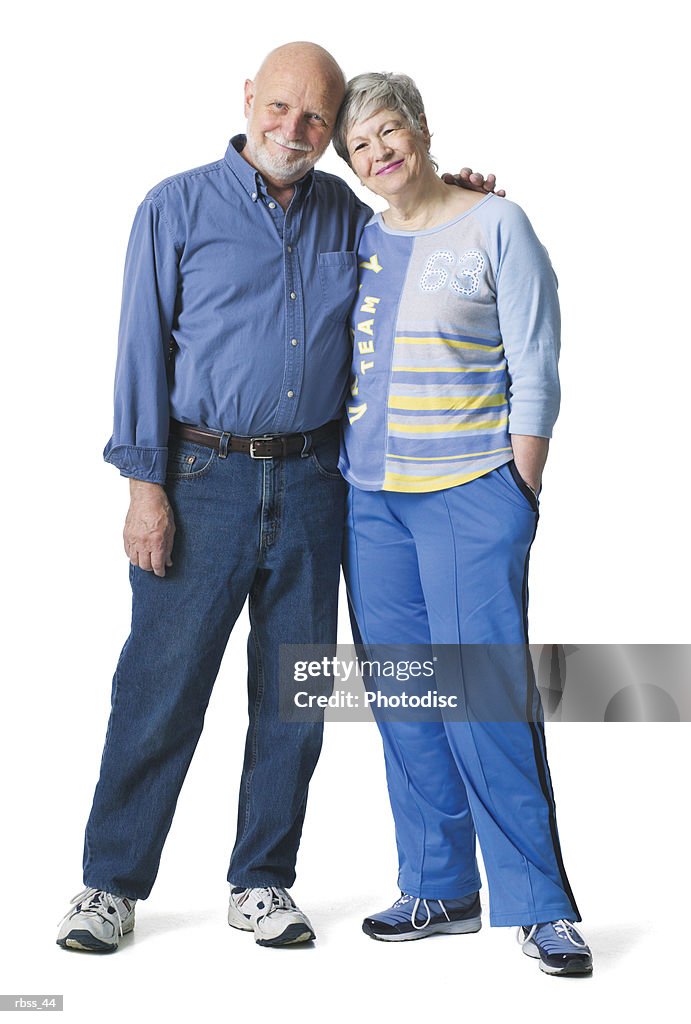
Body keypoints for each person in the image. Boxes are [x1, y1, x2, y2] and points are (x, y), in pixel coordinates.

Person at [56, 42, 498, 954]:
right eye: (280, 108)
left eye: (314, 121)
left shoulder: (350, 215)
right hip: (200, 479)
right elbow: (140, 355)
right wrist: (146, 491)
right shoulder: (173, 207)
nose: (292, 131)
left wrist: (458, 196)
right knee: (160, 689)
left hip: (313, 482)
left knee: (293, 695)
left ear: (331, 133)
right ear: (247, 97)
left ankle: (261, 881)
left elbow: (422, 242)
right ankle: (109, 885)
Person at [333, 72, 593, 976]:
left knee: (483, 699)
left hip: (471, 493)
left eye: (388, 130)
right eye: (360, 145)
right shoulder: (358, 239)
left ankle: (539, 904)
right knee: (407, 701)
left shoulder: (495, 224)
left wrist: (518, 490)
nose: (379, 153)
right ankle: (437, 886)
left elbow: (537, 359)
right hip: (372, 505)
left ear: (421, 128)